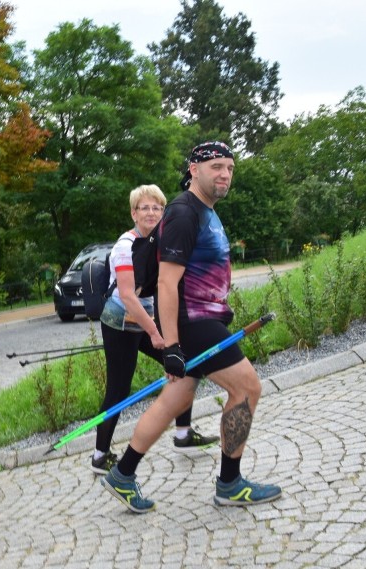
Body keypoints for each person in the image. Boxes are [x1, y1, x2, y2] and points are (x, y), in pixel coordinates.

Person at [101, 141, 282, 512]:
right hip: (195, 321)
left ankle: (123, 472)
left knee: (177, 398)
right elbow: (167, 283)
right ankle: (230, 483)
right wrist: (171, 346)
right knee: (247, 387)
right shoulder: (185, 212)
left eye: (230, 168)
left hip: (206, 318)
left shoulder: (205, 211)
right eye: (216, 166)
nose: (225, 174)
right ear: (194, 170)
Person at [91, 186, 218, 474]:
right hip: (121, 323)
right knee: (119, 389)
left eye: (157, 208)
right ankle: (100, 455)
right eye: (144, 208)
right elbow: (127, 296)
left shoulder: (160, 239)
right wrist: (156, 333)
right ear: (134, 213)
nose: (151, 213)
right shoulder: (125, 246)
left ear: (164, 213)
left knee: (182, 365)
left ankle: (183, 434)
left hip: (146, 319)